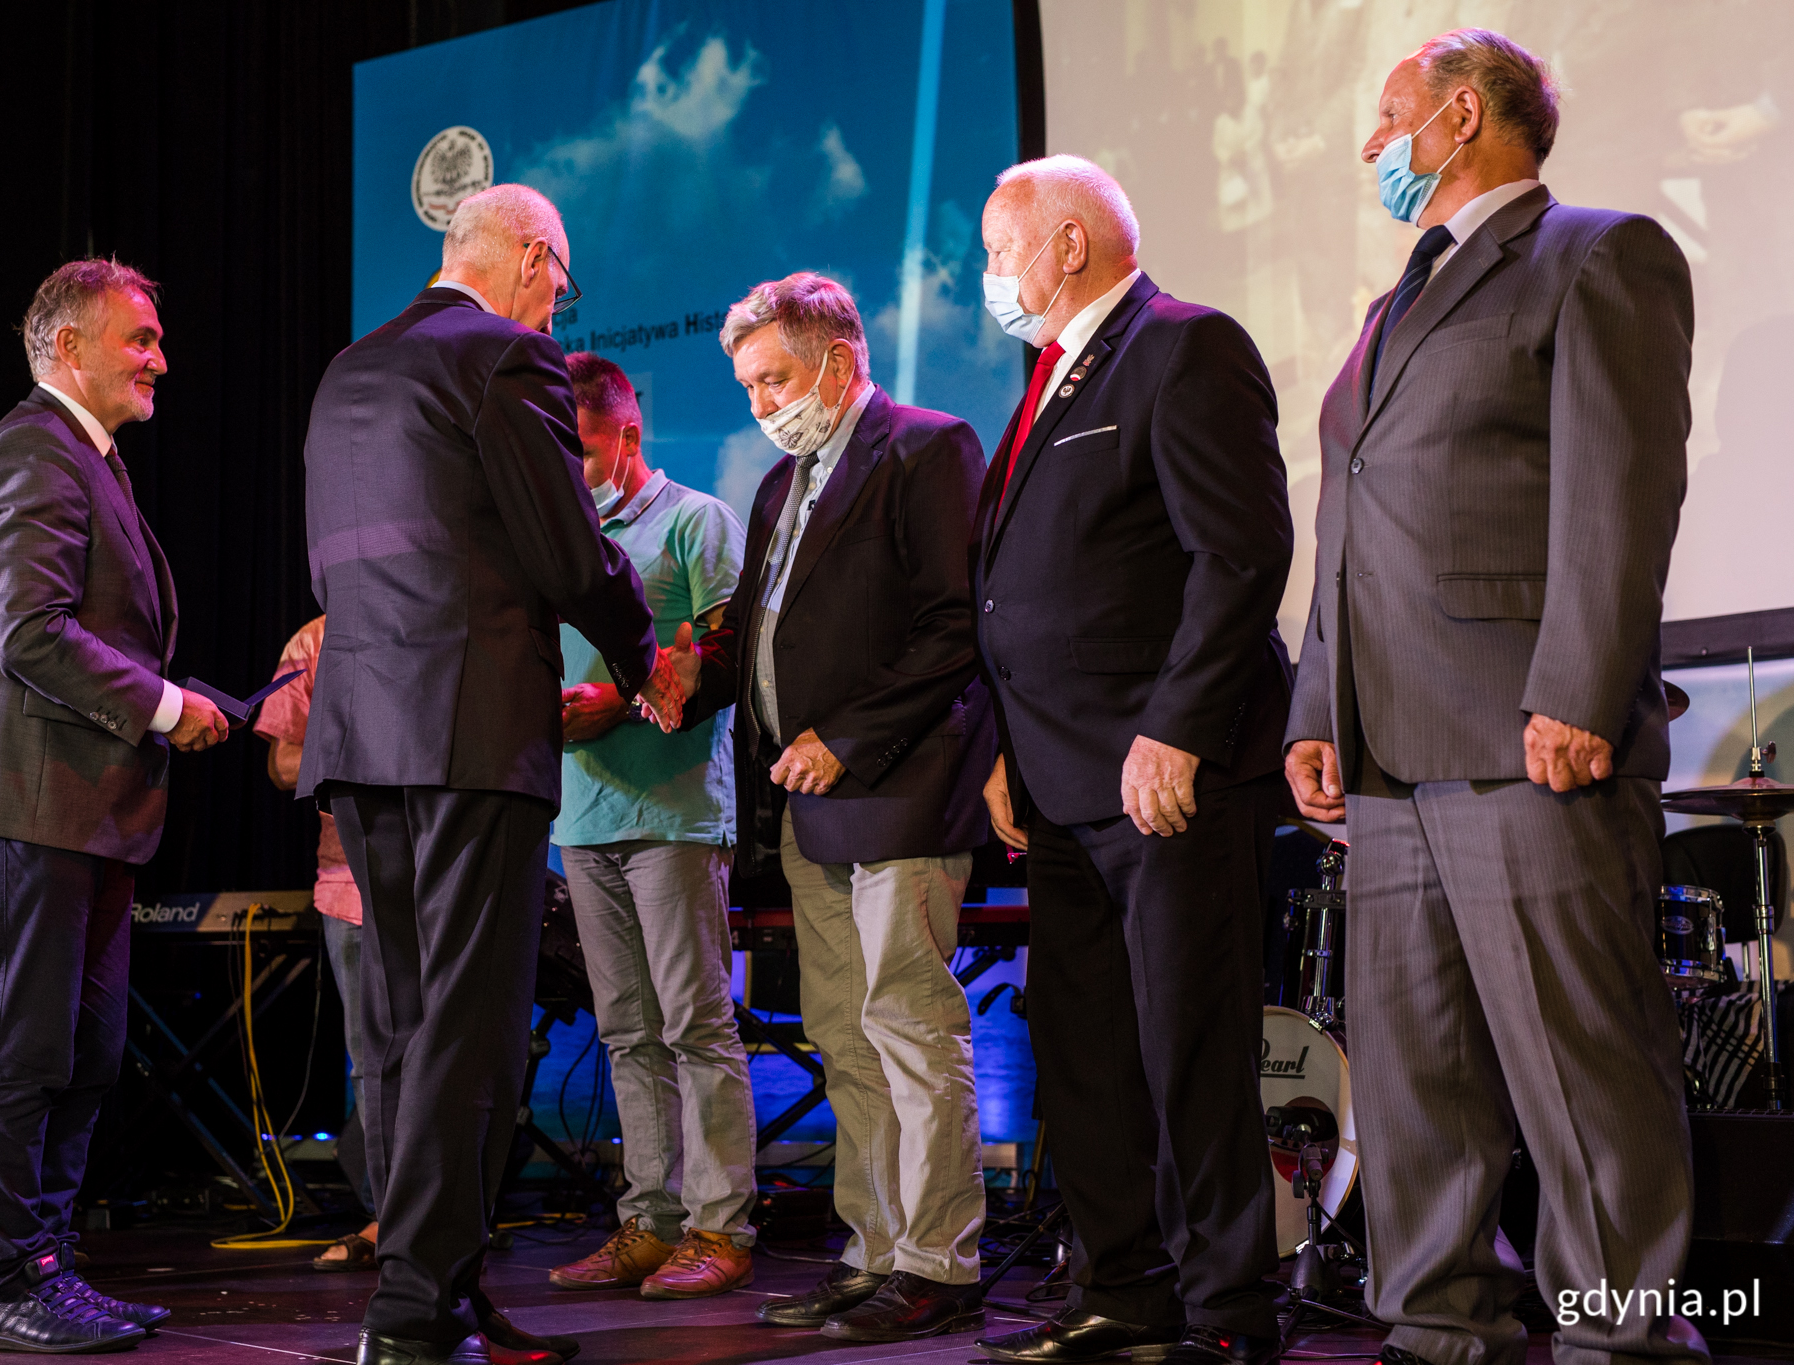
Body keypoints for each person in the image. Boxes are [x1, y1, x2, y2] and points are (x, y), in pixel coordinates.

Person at [1283, 30, 1703, 1365]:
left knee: (1580, 1079)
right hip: (1387, 755)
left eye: (1390, 114)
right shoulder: (1392, 303)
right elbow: (1347, 522)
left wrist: (1575, 691)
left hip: (1528, 742)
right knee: (1415, 1085)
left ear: (1462, 116)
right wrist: (1315, 708)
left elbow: (1619, 493)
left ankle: (1620, 1340)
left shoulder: (1593, 254)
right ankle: (1436, 1330)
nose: (1373, 144)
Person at [299, 184, 684, 1365]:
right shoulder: (505, 357)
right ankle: (414, 1313)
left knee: (412, 1025)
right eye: (560, 280)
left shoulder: (347, 372)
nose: (560, 303)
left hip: (362, 737)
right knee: (466, 1029)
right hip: (466, 733)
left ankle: (444, 1289)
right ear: (529, 257)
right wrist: (645, 655)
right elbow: (566, 545)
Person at [970, 156, 1295, 1365]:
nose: (989, 274)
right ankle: (1123, 1291)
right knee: (1086, 1053)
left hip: (1165, 778)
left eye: (1000, 249)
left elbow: (1239, 554)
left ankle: (1225, 1313)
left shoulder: (1183, 346)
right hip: (1056, 783)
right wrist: (999, 746)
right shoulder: (1049, 377)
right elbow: (1016, 589)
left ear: (1068, 244)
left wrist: (1178, 728)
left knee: (1190, 1051)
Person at [0, 257, 230, 1354]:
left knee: (84, 1052)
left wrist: (199, 708)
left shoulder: (84, 459)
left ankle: (48, 1266)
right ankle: (10, 1280)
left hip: (76, 809)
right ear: (66, 347)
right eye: (139, 338)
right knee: (24, 1049)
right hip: (26, 802)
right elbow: (32, 633)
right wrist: (167, 706)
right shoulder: (34, 451)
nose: (160, 359)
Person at [669, 272, 994, 1344]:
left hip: (894, 790)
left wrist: (847, 738)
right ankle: (874, 1252)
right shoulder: (780, 484)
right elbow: (756, 637)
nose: (761, 404)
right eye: (748, 388)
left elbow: (954, 625)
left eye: (773, 380)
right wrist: (690, 680)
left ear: (839, 362)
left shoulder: (927, 448)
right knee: (845, 1038)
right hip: (804, 808)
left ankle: (939, 1262)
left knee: (908, 1027)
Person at [542, 353, 758, 1299]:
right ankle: (650, 1219)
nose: (573, 470)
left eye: (583, 450)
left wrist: (624, 701)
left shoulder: (697, 521)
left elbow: (729, 660)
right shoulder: (558, 537)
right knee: (627, 1031)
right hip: (581, 815)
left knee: (695, 1023)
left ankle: (720, 1225)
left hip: (674, 813)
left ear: (627, 435)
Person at [251, 615, 383, 1272]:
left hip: (440, 874)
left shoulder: (438, 606)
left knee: (442, 1052)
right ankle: (389, 1214)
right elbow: (282, 762)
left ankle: (440, 1213)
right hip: (351, 879)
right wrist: (368, 752)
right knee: (371, 1059)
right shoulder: (313, 641)